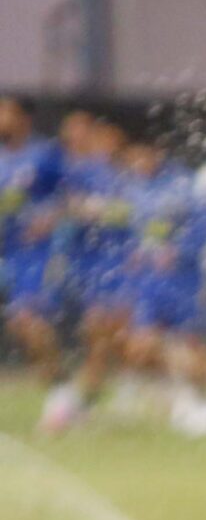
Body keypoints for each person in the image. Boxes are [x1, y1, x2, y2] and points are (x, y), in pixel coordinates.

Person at [41, 116, 138, 434]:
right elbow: (65, 207)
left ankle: (78, 402)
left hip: (117, 264)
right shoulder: (71, 170)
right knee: (99, 332)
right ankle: (80, 399)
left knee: (109, 332)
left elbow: (127, 213)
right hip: (88, 266)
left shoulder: (116, 174)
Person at [122, 137, 206, 437]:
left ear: (156, 152)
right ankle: (178, 399)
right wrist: (133, 252)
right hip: (147, 282)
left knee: (189, 344)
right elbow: (130, 230)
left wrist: (179, 250)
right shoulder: (132, 188)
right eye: (131, 158)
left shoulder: (185, 185)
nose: (136, 163)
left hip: (183, 280)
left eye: (141, 155)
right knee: (139, 348)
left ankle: (203, 404)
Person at [0, 98, 69, 397]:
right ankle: (61, 388)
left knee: (29, 320)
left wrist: (50, 218)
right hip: (11, 253)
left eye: (5, 112)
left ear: (23, 119)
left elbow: (71, 193)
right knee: (21, 325)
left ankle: (61, 393)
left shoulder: (44, 154)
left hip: (41, 252)